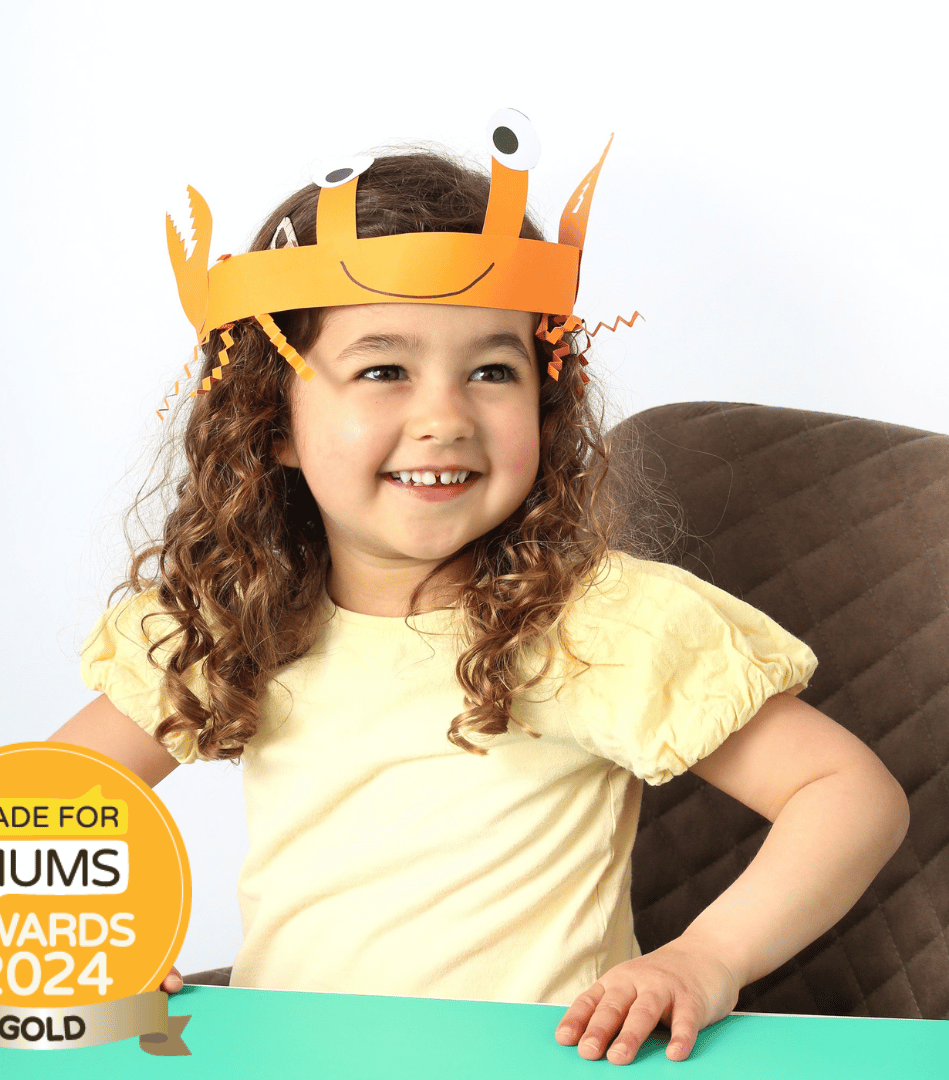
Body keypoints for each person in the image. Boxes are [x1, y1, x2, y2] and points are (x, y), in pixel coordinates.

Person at [50, 112, 909, 1066]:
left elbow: (845, 794)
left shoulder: (595, 621)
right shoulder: (233, 616)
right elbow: (48, 800)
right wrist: (91, 939)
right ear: (273, 423)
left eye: (491, 371)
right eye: (383, 368)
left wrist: (704, 958)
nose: (445, 417)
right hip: (291, 1059)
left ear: (543, 405)